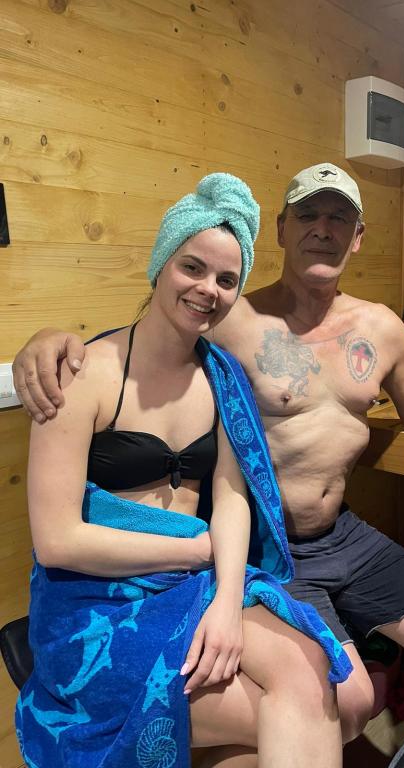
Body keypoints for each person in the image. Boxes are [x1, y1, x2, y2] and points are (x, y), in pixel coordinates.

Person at [14, 162, 404, 766]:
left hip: (335, 535)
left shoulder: (376, 329)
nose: (323, 229)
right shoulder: (231, 323)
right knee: (344, 701)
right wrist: (46, 339)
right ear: (283, 230)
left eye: (339, 218)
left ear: (358, 236)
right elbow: (141, 336)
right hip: (263, 549)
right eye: (309, 215)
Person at [15, 173, 353, 768]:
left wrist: (226, 605)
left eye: (227, 279)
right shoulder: (84, 374)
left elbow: (231, 496)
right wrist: (199, 551)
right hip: (96, 602)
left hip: (194, 583)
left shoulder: (221, 377)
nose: (207, 290)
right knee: (293, 714)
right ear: (161, 263)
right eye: (192, 267)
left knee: (314, 677)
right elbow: (58, 542)